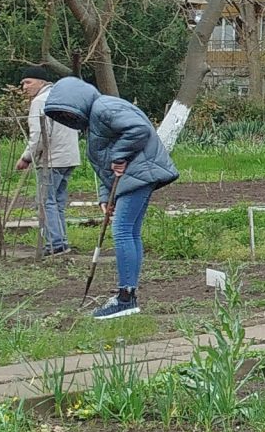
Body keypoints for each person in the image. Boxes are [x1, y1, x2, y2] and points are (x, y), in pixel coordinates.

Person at [39, 75, 179, 321]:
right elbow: (104, 165)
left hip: (138, 173)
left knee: (122, 231)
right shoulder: (93, 120)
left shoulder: (104, 107)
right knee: (130, 232)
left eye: (67, 112)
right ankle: (128, 295)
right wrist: (106, 197)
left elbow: (139, 130)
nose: (66, 118)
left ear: (76, 100)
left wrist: (119, 155)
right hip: (133, 176)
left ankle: (125, 298)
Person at [14, 69, 80, 256]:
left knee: (45, 202)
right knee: (57, 202)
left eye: (28, 82)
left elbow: (40, 136)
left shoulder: (40, 101)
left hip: (52, 158)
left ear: (41, 82)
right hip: (69, 157)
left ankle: (55, 244)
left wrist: (26, 157)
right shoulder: (63, 97)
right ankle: (61, 241)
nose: (24, 87)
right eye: (23, 83)